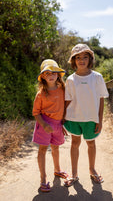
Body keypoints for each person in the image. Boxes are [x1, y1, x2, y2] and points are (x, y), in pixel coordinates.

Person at [63, 44, 109, 187]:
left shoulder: (97, 77)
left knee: (91, 143)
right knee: (75, 143)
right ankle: (75, 174)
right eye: (78, 57)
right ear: (73, 60)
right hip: (74, 118)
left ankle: (92, 170)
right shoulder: (70, 79)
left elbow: (101, 99)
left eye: (85, 57)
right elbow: (67, 100)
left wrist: (99, 120)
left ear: (90, 59)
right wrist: (62, 118)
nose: (81, 60)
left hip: (91, 118)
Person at [32, 59, 68, 192]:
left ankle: (57, 170)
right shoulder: (41, 94)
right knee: (42, 150)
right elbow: (36, 112)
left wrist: (62, 123)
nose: (51, 75)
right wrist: (44, 125)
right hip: (44, 125)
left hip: (58, 125)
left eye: (54, 72)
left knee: (56, 148)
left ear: (58, 75)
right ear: (42, 77)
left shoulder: (63, 89)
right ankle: (43, 178)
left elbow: (63, 107)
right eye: (47, 73)